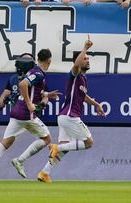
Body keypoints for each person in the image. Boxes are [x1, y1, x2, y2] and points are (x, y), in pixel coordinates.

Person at [0, 49, 61, 184]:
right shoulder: (38, 73)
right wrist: (29, 104)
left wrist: (46, 95)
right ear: (49, 61)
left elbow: (33, 90)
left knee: (6, 142)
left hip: (16, 112)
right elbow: (23, 84)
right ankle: (20, 160)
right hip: (26, 113)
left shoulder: (33, 72)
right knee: (47, 139)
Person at [37, 36, 105, 183]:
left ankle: (44, 172)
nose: (88, 60)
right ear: (79, 61)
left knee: (64, 148)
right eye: (85, 58)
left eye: (88, 58)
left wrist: (96, 105)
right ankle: (55, 147)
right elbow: (76, 65)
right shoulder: (74, 74)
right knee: (88, 142)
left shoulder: (83, 79)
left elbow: (84, 96)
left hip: (64, 117)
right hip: (69, 116)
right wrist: (85, 48)